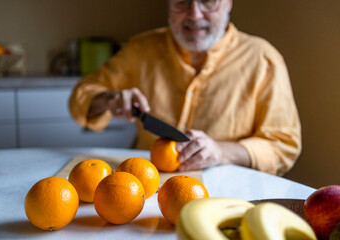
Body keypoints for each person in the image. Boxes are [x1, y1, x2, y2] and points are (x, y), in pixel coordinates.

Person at [69, 0, 301, 176]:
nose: (194, 14)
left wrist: (221, 152)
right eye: (182, 1)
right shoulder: (140, 49)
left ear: (228, 2)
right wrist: (109, 99)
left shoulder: (263, 59)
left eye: (208, 0)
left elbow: (284, 145)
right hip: (143, 186)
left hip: (225, 190)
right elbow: (82, 95)